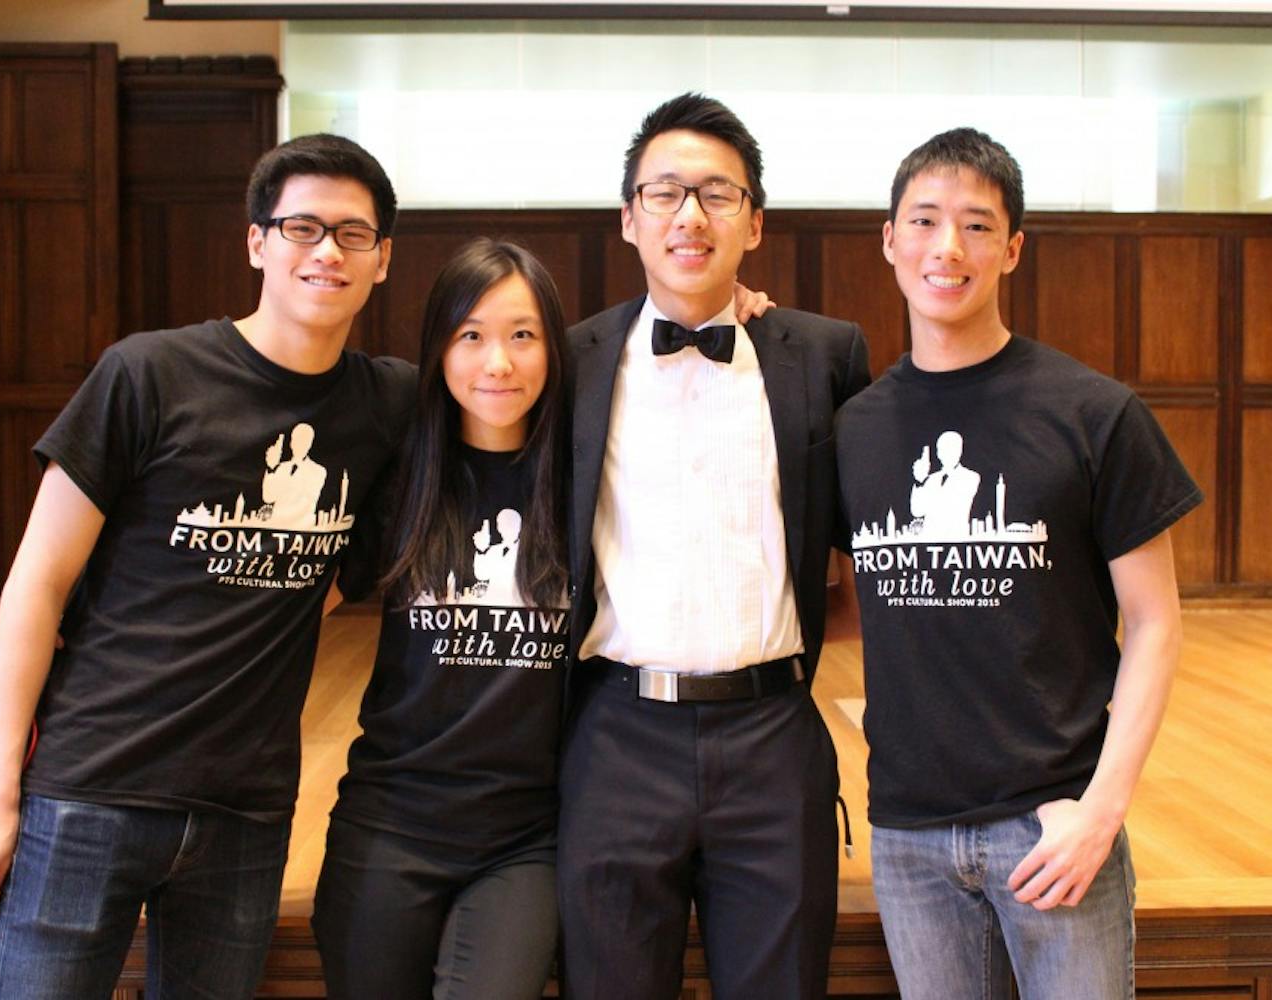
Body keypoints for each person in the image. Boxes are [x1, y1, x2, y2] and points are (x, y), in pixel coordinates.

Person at [0, 133, 415, 1000]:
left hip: (246, 810)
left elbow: (524, 378)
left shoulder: (386, 403)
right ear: (256, 242)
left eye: (352, 234)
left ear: (382, 259)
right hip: (91, 789)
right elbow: (37, 584)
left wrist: (740, 308)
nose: (326, 251)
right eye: (302, 227)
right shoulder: (148, 373)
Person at [836, 127, 1203, 999]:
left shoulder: (1093, 414)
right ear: (890, 240)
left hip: (1052, 825)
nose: (947, 247)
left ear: (1013, 249)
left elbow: (1156, 623)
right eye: (923, 220)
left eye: (976, 224)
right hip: (910, 838)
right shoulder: (855, 428)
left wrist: (1102, 812)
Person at [557, 93, 871, 1000]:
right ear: (629, 218)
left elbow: (867, 540)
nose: (689, 215)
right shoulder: (569, 362)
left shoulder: (822, 355)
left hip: (774, 735)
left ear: (755, 222)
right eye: (664, 193)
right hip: (614, 732)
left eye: (717, 195)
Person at [310, 238, 571, 1000]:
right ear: (439, 349)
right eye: (472, 336)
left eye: (522, 335)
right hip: (392, 819)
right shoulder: (402, 481)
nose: (498, 363)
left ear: (553, 347)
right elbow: (289, 610)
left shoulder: (585, 483)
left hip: (526, 836)